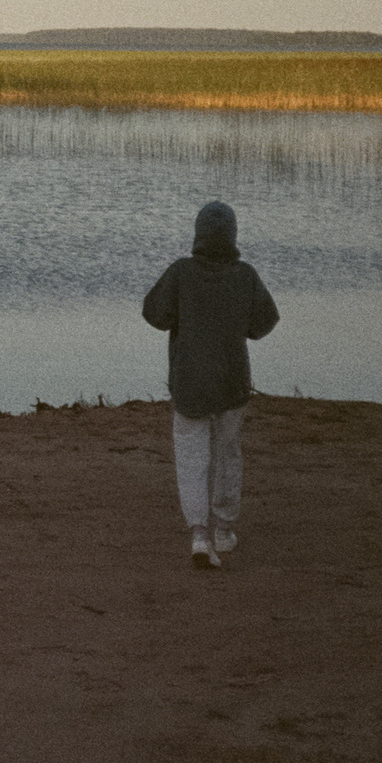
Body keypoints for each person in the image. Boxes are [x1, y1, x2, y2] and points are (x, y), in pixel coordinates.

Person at [141, 200, 279, 570]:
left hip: (189, 380)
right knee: (228, 454)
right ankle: (224, 529)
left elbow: (154, 313)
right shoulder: (245, 275)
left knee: (192, 457)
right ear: (232, 236)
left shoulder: (181, 272)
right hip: (232, 380)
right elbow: (264, 323)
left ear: (197, 234)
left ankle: (200, 533)